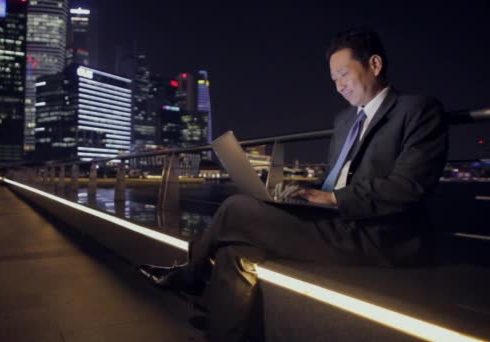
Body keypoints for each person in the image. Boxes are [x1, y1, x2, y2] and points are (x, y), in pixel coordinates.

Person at [139, 28, 449, 341]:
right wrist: (303, 192)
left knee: (236, 208)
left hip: (376, 235)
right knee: (236, 250)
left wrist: (331, 199)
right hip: (334, 222)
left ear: (375, 65)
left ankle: (192, 275)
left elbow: (407, 186)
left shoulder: (417, 111)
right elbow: (337, 176)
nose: (339, 86)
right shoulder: (344, 120)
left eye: (344, 74)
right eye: (334, 80)